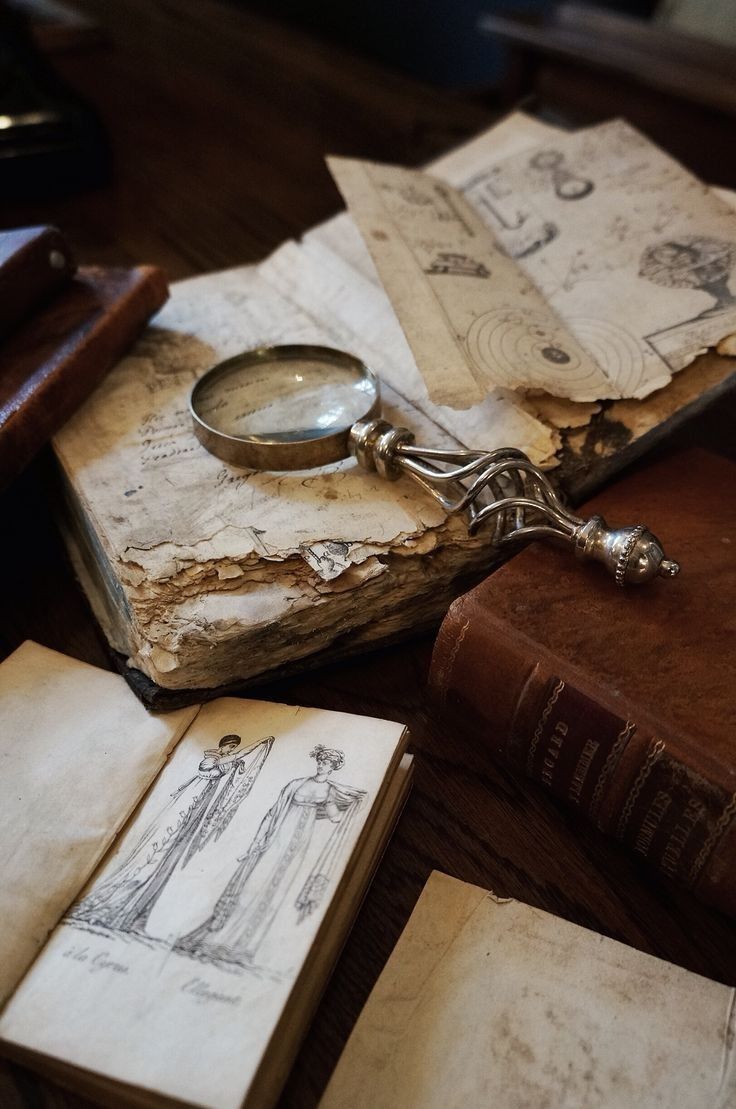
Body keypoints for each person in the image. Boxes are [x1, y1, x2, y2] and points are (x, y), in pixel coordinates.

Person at [175, 745, 365, 967]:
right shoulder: (297, 784)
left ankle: (241, 946)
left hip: (300, 843)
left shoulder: (330, 791)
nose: (322, 765)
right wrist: (257, 842)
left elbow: (334, 818)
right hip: (277, 837)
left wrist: (347, 803)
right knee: (253, 882)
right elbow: (273, 813)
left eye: (327, 763)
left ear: (333, 767)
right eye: (321, 761)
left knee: (276, 889)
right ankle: (215, 938)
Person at [67, 733, 274, 935]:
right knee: (158, 849)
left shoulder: (224, 760)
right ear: (223, 745)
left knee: (171, 854)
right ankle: (113, 906)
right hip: (191, 800)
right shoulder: (212, 756)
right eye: (230, 746)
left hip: (202, 804)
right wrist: (255, 745)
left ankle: (135, 914)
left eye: (233, 747)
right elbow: (213, 770)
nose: (232, 750)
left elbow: (234, 765)